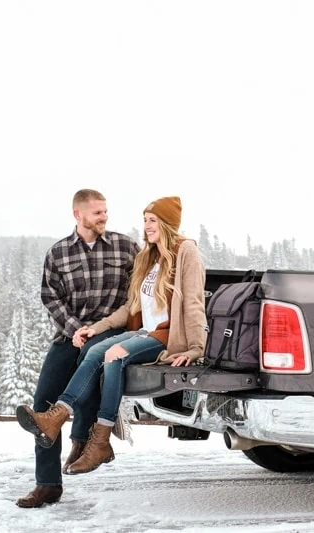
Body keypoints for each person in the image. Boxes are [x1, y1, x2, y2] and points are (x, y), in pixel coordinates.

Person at [16, 195, 207, 478]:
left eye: (152, 220)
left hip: (160, 335)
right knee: (88, 358)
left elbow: (192, 302)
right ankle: (52, 445)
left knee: (106, 354)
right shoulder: (146, 256)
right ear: (77, 214)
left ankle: (94, 439)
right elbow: (128, 306)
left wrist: (196, 348)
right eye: (145, 220)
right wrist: (90, 328)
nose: (146, 226)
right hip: (104, 333)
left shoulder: (161, 249)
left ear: (167, 224)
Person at [16, 189, 140, 508]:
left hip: (109, 330)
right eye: (97, 212)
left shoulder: (126, 247)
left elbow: (139, 290)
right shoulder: (58, 253)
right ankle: (47, 484)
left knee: (92, 357)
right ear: (78, 214)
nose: (104, 217)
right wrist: (74, 330)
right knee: (42, 405)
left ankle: (83, 439)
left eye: (105, 211)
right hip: (69, 335)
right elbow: (50, 297)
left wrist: (104, 327)